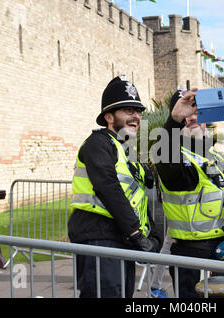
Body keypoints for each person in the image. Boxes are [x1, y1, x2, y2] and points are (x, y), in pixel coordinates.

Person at [154, 89, 224, 298]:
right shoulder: (173, 156)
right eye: (186, 115)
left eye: (198, 111)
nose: (193, 118)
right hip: (193, 257)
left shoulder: (217, 156)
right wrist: (174, 120)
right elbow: (165, 156)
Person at [68, 76, 162, 298]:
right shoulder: (97, 144)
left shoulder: (125, 151)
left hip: (119, 238)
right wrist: (137, 233)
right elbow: (109, 188)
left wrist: (153, 235)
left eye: (138, 111)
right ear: (109, 116)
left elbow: (139, 197)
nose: (136, 116)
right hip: (99, 237)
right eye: (128, 111)